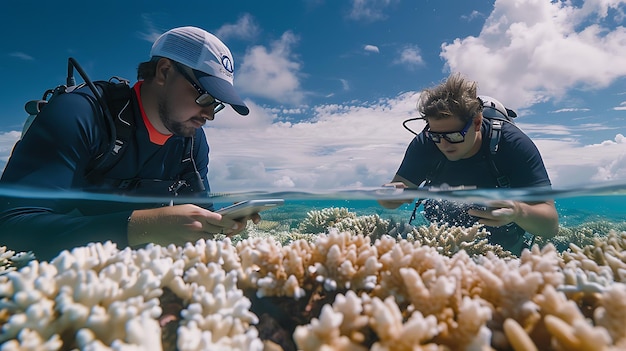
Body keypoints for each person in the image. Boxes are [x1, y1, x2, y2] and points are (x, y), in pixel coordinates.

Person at [0, 26, 260, 260]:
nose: (209, 115)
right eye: (204, 97)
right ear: (164, 72)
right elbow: (9, 225)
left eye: (217, 104)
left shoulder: (193, 142)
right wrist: (141, 226)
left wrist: (219, 223)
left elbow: (200, 213)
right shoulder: (78, 113)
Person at [380, 73, 558, 255]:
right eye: (436, 136)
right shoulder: (425, 143)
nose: (444, 144)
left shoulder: (513, 144)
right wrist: (388, 195)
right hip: (440, 245)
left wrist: (519, 211)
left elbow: (550, 226)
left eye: (454, 136)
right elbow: (392, 199)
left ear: (477, 122)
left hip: (501, 249)